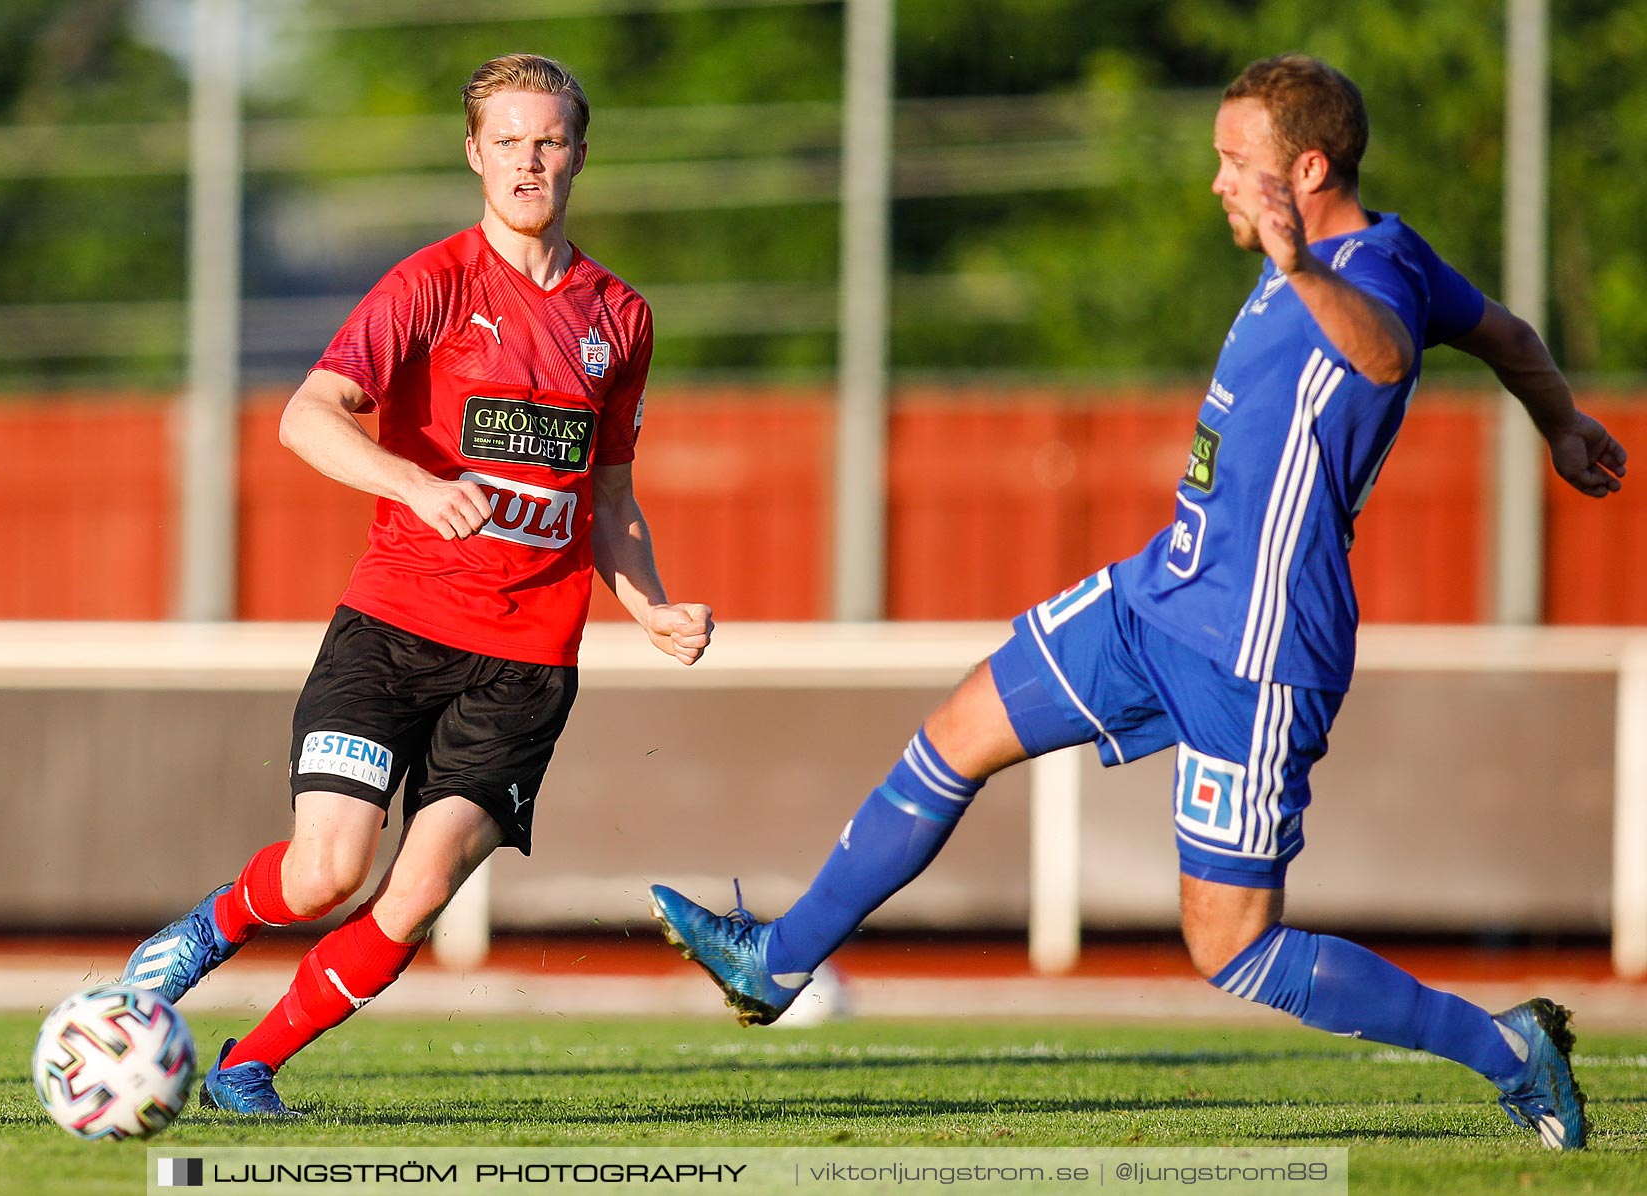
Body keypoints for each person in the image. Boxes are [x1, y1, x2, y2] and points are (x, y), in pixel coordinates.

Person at [649, 53, 1624, 1151]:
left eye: (1235, 162)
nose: (1217, 182)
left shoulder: (1370, 275)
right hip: (1159, 592)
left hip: (1256, 646)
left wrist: (1299, 264)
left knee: (1231, 945)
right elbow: (1505, 333)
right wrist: (1561, 422)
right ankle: (775, 959)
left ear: (1307, 170)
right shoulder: (1356, 252)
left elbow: (1389, 356)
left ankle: (1507, 1046)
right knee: (957, 730)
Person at [121, 53, 713, 1116]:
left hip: (526, 665)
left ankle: (250, 1063)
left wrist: (653, 601)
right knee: (324, 873)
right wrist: (414, 482)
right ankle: (202, 935)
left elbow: (610, 496)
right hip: (393, 629)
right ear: (475, 155)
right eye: (509, 142)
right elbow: (308, 412)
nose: (529, 160)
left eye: (549, 140)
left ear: (579, 152)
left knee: (422, 887)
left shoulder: (619, 316)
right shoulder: (430, 284)